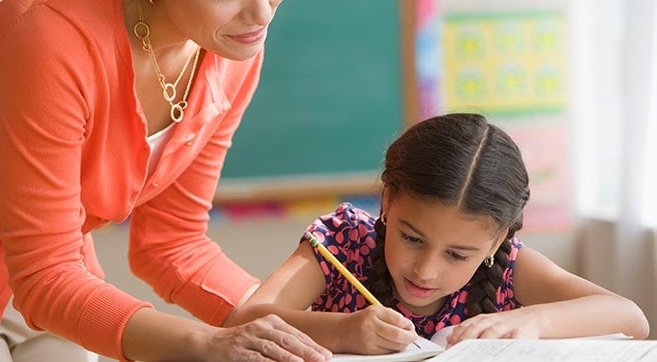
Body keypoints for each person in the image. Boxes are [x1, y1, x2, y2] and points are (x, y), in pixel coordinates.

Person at [0, 0, 334, 361]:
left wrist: (320, 330)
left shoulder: (233, 44)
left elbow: (172, 243)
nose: (262, 11)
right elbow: (43, 274)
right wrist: (203, 344)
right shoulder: (50, 34)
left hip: (55, 263)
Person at [227, 113, 651, 355]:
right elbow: (244, 319)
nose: (426, 270)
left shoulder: (509, 267)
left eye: (458, 255)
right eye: (412, 238)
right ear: (388, 201)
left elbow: (631, 320)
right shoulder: (344, 239)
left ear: (498, 238)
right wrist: (343, 331)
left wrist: (533, 320)